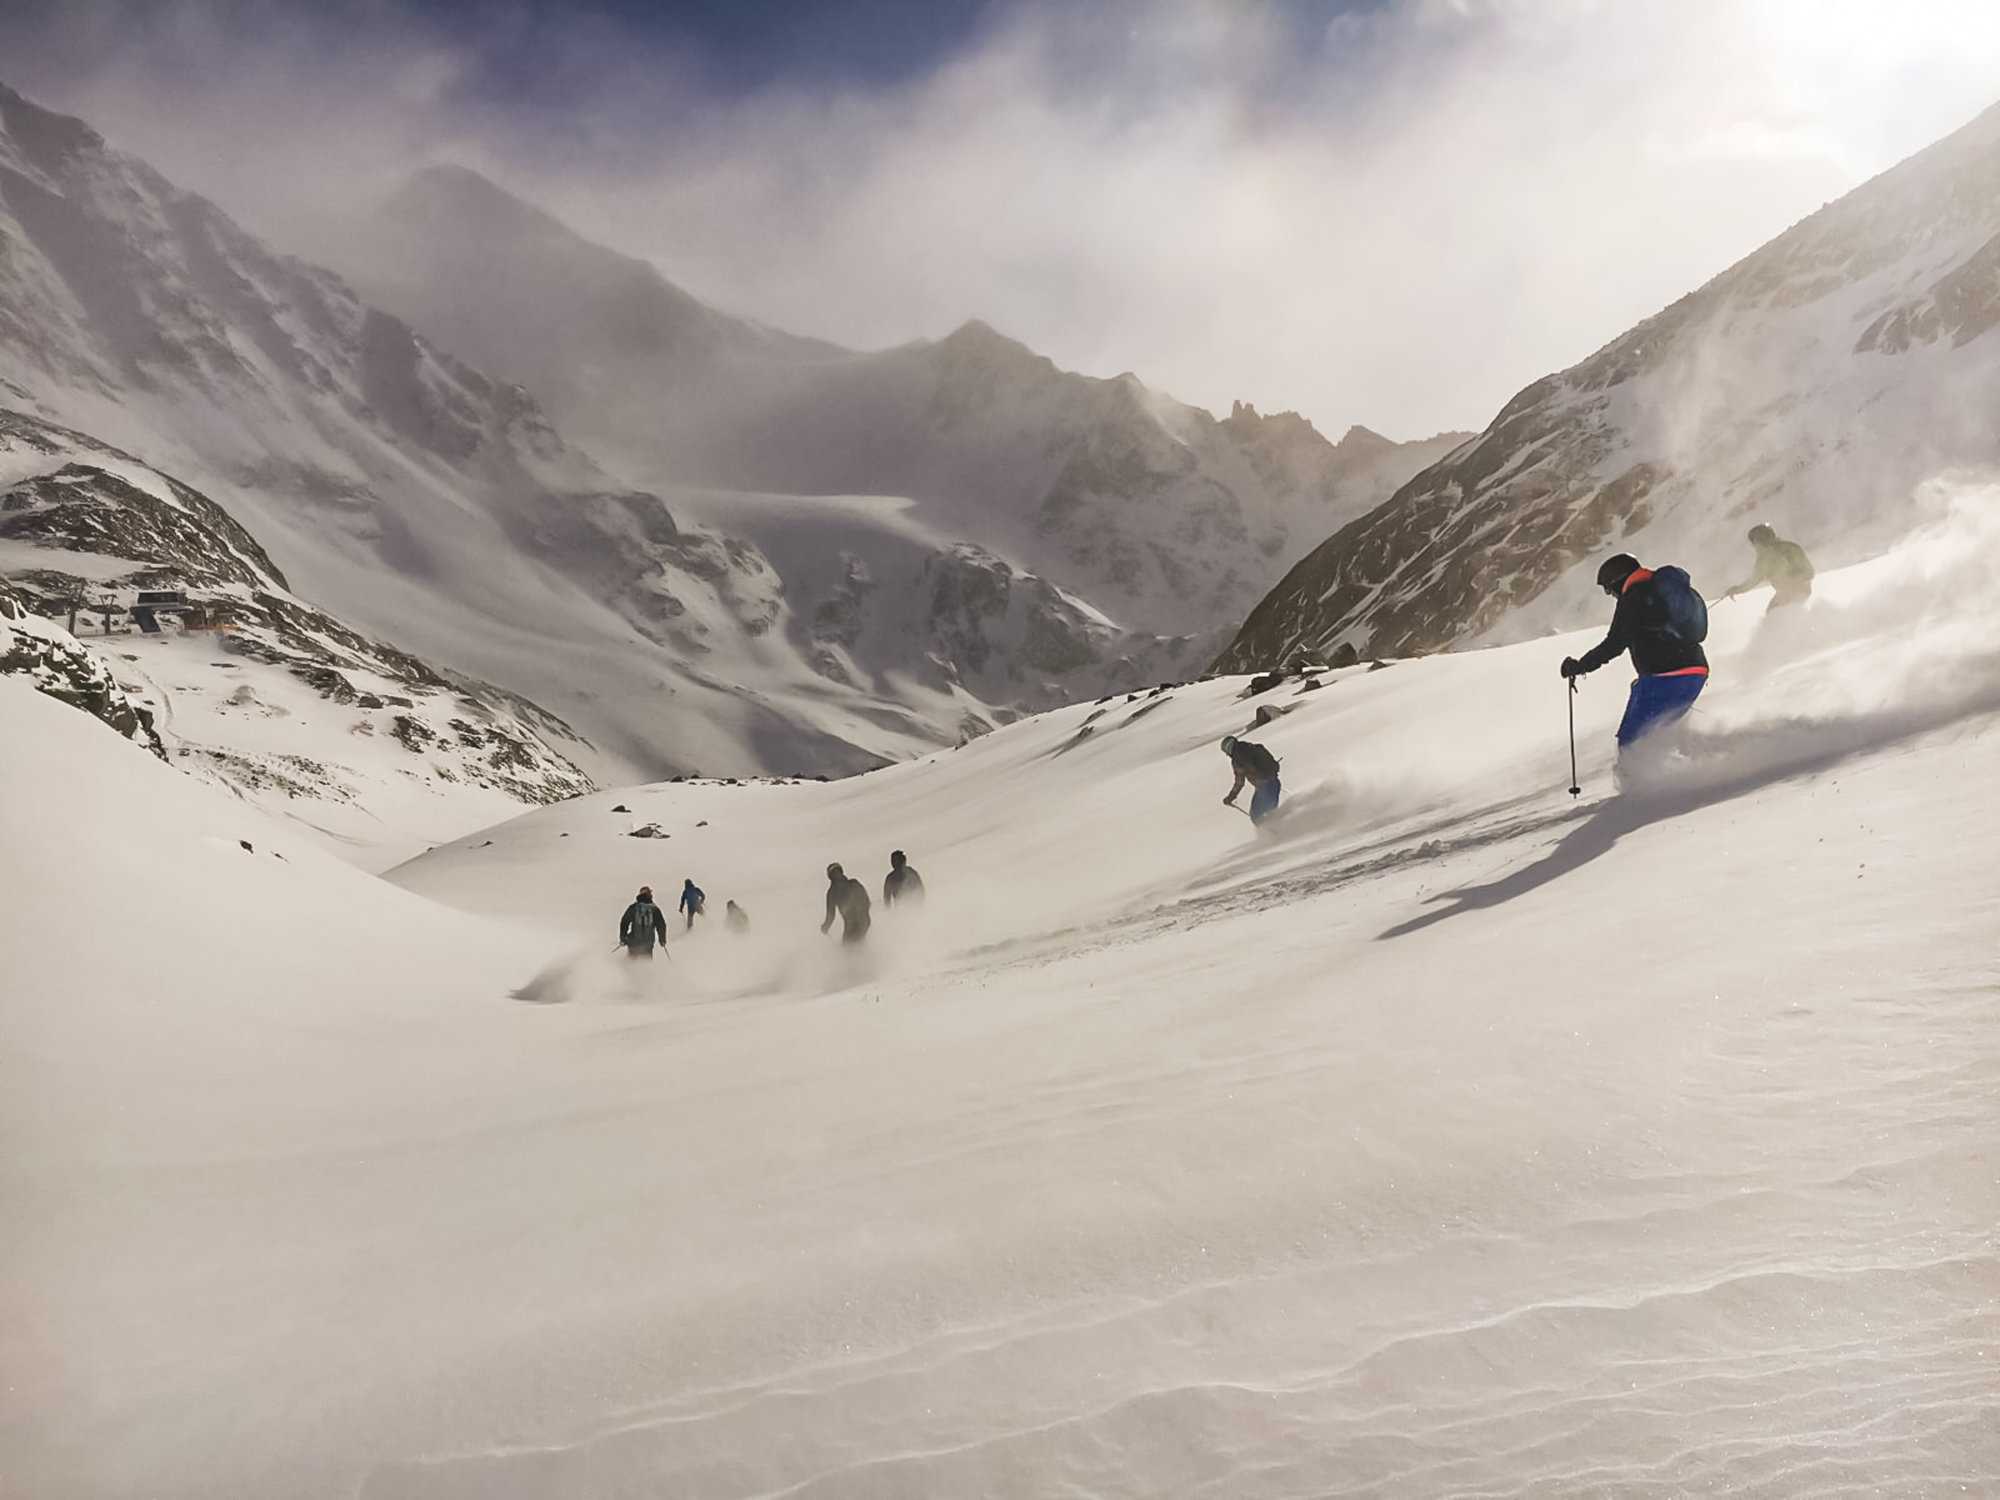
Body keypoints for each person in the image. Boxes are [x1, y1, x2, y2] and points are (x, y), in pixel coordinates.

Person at [1561, 553, 1709, 755]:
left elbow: (1614, 643)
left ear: (1617, 580)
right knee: (1660, 733)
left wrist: (1580, 666)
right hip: (1694, 671)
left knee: (1632, 741)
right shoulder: (1658, 588)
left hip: (1664, 678)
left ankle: (1650, 783)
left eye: (1608, 588)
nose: (1609, 593)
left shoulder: (1634, 597)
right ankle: (1708, 760)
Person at [1722, 523, 1814, 610]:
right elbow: (1809, 571)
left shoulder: (1765, 556)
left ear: (1755, 541)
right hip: (1801, 590)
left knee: (1774, 616)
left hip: (1789, 593)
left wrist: (1737, 589)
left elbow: (1754, 580)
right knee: (1779, 614)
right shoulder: (1791, 547)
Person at [1220, 735, 1282, 825]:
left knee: (1256, 816)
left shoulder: (1237, 760)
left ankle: (1276, 835)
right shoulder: (1252, 747)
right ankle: (1285, 830)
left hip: (1264, 788)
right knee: (1272, 814)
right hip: (1274, 782)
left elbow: (1239, 782)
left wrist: (1231, 796)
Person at [820, 862, 872, 944]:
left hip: (856, 922)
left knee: (850, 948)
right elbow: (867, 902)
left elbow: (831, 915)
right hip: (862, 921)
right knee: (856, 946)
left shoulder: (833, 892)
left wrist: (825, 927)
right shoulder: (852, 884)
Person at [619, 885, 669, 959]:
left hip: (633, 941)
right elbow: (661, 925)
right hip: (648, 943)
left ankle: (627, 970)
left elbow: (624, 922)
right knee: (646, 963)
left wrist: (623, 938)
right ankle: (646, 970)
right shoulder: (655, 909)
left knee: (631, 963)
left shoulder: (633, 907)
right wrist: (662, 940)